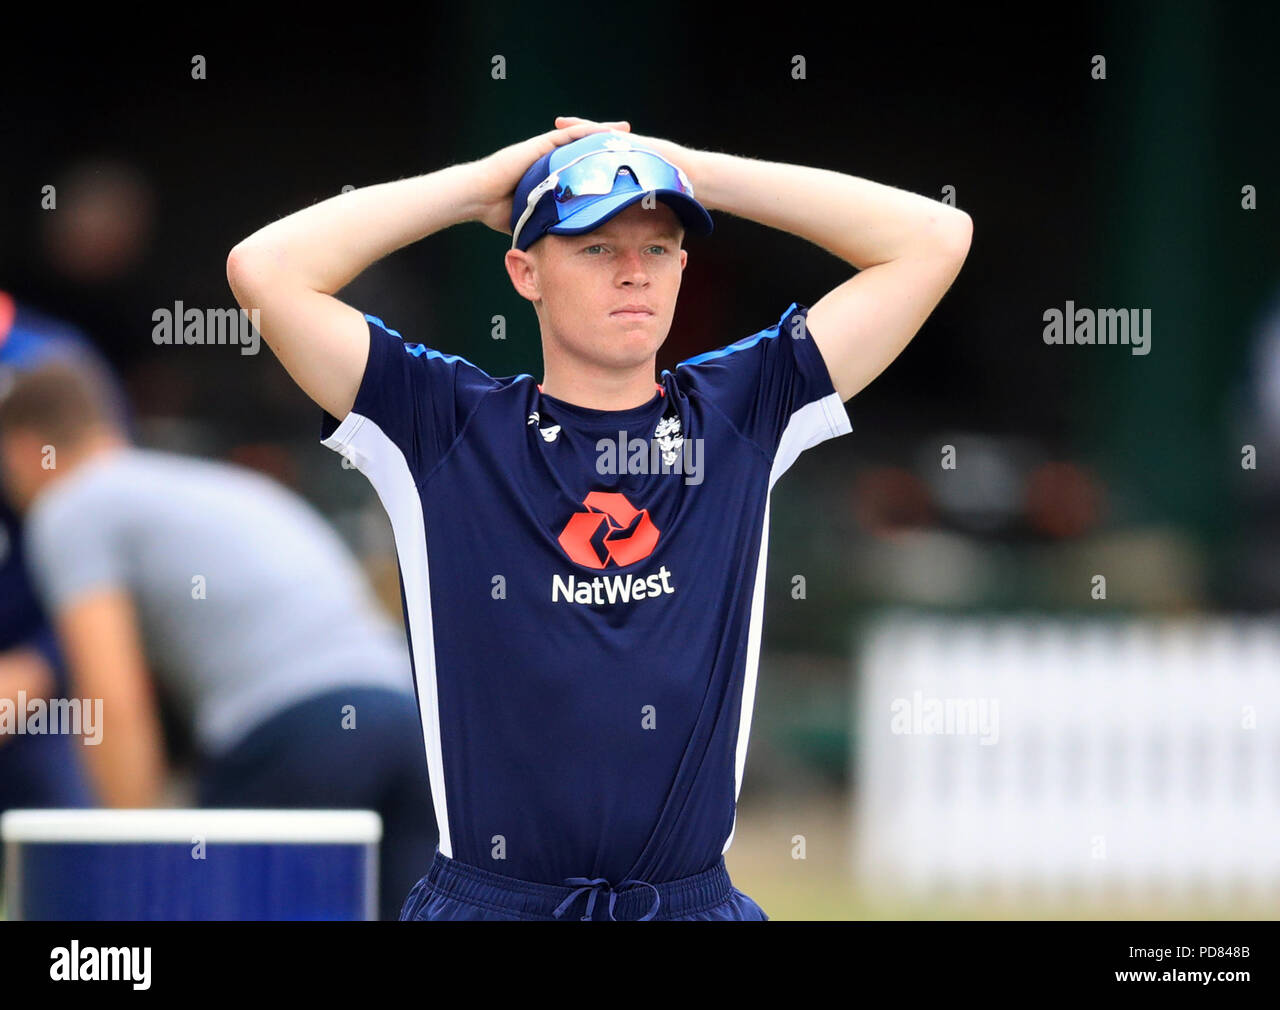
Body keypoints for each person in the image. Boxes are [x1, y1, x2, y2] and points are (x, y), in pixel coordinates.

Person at [226, 116, 972, 920]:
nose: (634, 274)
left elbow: (935, 237)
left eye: (657, 248)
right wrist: (480, 186)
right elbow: (263, 270)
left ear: (684, 265)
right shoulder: (441, 425)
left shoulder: (740, 413)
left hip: (687, 906)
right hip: (492, 902)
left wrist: (693, 171)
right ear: (524, 271)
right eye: (595, 247)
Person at [0, 360, 437, 918]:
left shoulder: (70, 506)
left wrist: (138, 863)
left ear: (23, 449)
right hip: (410, 722)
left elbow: (111, 696)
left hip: (294, 732)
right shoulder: (218, 487)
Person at [0, 291, 114, 892]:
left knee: (69, 881)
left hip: (40, 693)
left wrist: (40, 665)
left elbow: (110, 549)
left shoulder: (55, 361)